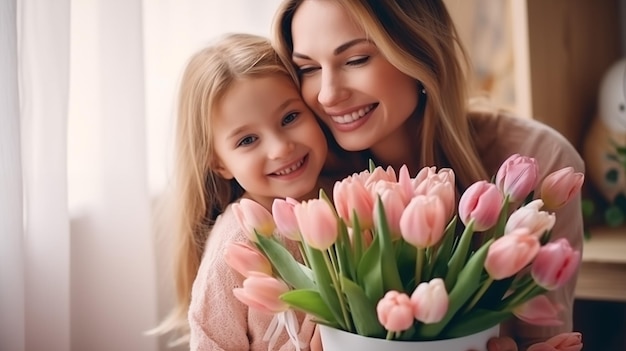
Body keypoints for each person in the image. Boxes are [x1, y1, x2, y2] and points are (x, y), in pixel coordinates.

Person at [271, 1, 585, 350]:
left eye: (356, 60)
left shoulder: (535, 161)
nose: (328, 94)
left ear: (420, 54)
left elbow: (546, 338)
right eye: (308, 68)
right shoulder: (310, 184)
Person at [154, 32, 327, 350]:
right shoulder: (235, 248)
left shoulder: (347, 201)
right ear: (219, 163)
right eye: (247, 140)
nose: (280, 148)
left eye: (290, 117)